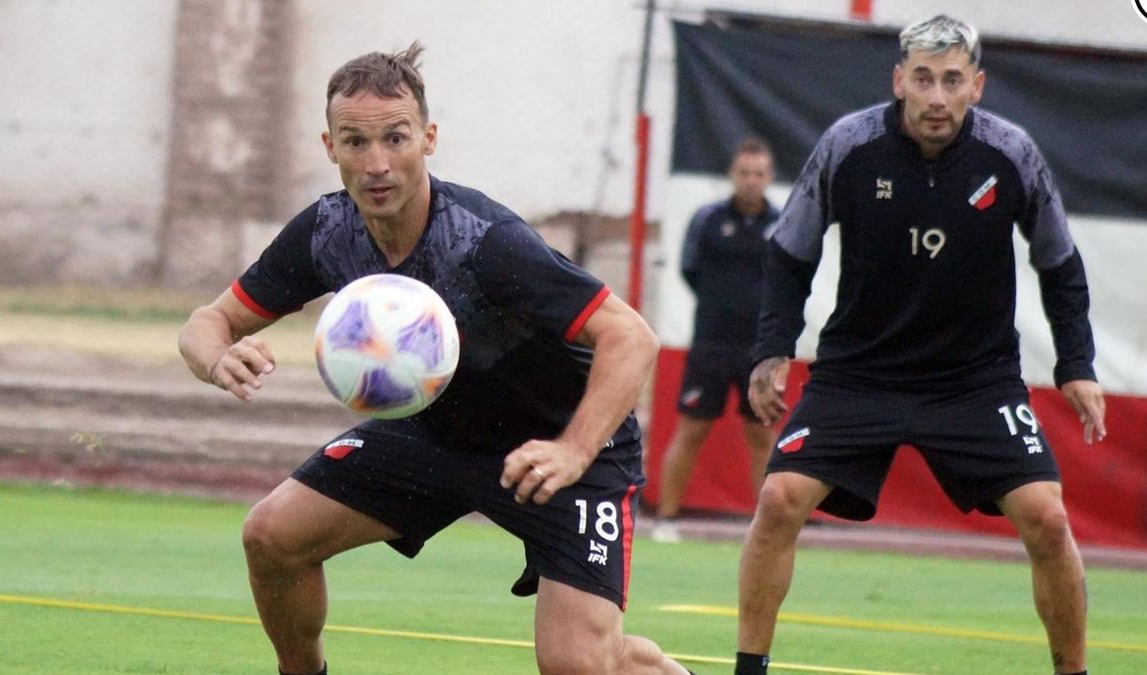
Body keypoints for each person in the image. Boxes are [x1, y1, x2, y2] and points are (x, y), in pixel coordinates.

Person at [177, 43, 694, 675]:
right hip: (432, 436)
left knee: (579, 666)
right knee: (271, 537)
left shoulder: (485, 242)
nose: (377, 164)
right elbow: (209, 322)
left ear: (428, 138)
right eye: (356, 142)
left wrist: (574, 449)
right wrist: (215, 358)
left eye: (395, 139)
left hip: (562, 449)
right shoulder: (326, 232)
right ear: (329, 147)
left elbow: (630, 336)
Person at [734, 15, 1106, 675]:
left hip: (975, 381)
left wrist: (1076, 364)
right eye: (925, 79)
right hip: (858, 374)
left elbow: (1060, 262)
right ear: (899, 79)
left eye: (953, 80)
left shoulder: (1012, 154)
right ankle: (749, 669)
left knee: (1048, 519)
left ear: (977, 86)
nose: (937, 97)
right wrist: (773, 348)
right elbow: (789, 253)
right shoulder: (848, 145)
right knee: (777, 499)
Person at [652, 138, 780, 544]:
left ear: (769, 178)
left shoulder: (782, 224)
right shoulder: (708, 219)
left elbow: (791, 280)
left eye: (759, 174)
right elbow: (689, 269)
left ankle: (766, 528)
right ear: (732, 175)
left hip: (759, 350)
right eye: (744, 173)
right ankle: (666, 520)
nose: (751, 181)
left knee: (761, 435)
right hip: (711, 345)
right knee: (692, 428)